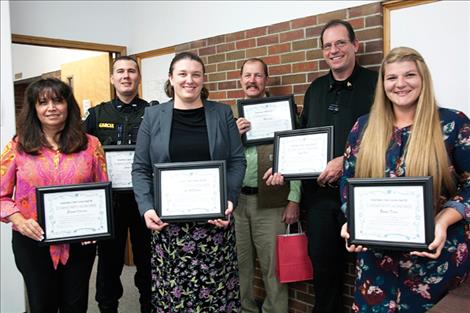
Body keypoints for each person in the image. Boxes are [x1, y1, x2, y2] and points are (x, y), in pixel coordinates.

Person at [339, 46, 470, 313]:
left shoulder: (453, 124)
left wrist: (443, 221)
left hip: (435, 264)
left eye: (409, 75)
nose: (400, 84)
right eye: (391, 77)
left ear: (423, 78)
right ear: (383, 83)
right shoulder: (362, 128)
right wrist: (351, 221)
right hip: (375, 269)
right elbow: (347, 183)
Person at [265, 19, 378, 313]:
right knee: (324, 270)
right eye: (327, 45)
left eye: (340, 43)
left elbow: (390, 138)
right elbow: (301, 137)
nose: (334, 50)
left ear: (355, 45)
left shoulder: (377, 85)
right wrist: (282, 166)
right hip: (321, 199)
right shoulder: (315, 89)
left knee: (372, 269)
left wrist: (346, 160)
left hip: (363, 196)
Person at [131, 51, 246, 312]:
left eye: (196, 74)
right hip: (169, 228)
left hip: (215, 225)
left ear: (203, 79)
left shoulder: (221, 113)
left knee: (216, 296)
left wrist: (229, 200)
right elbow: (140, 168)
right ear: (171, 78)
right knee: (175, 298)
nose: (189, 80)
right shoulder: (152, 116)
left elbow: (237, 161)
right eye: (182, 74)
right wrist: (147, 208)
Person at [0, 78, 108, 312]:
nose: (51, 108)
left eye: (58, 101)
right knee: (41, 304)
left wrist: (96, 226)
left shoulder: (91, 145)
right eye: (43, 102)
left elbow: (102, 191)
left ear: (68, 105)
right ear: (34, 109)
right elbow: (1, 195)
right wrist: (19, 220)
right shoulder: (17, 147)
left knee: (76, 304)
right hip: (32, 241)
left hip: (80, 241)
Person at [83, 56, 151, 313]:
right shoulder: (96, 114)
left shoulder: (153, 112)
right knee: (109, 264)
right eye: (120, 71)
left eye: (131, 71)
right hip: (109, 203)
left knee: (147, 261)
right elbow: (81, 153)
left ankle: (148, 305)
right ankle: (107, 307)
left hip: (144, 200)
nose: (126, 76)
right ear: (112, 78)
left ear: (138, 77)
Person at [235, 58, 301, 313]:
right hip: (238, 203)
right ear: (241, 79)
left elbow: (296, 155)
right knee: (241, 265)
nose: (252, 80)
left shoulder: (283, 114)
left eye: (258, 75)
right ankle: (246, 309)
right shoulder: (232, 119)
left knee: (274, 267)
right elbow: (222, 159)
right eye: (247, 75)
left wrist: (294, 198)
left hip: (272, 202)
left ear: (266, 79)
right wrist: (233, 135)